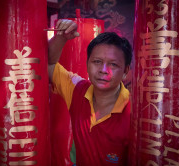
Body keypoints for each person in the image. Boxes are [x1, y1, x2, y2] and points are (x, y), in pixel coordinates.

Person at [48, 19, 133, 166]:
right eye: (97, 61)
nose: (103, 70)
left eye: (113, 64)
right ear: (87, 63)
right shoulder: (77, 90)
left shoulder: (135, 112)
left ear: (125, 71)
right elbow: (48, 63)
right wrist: (61, 38)